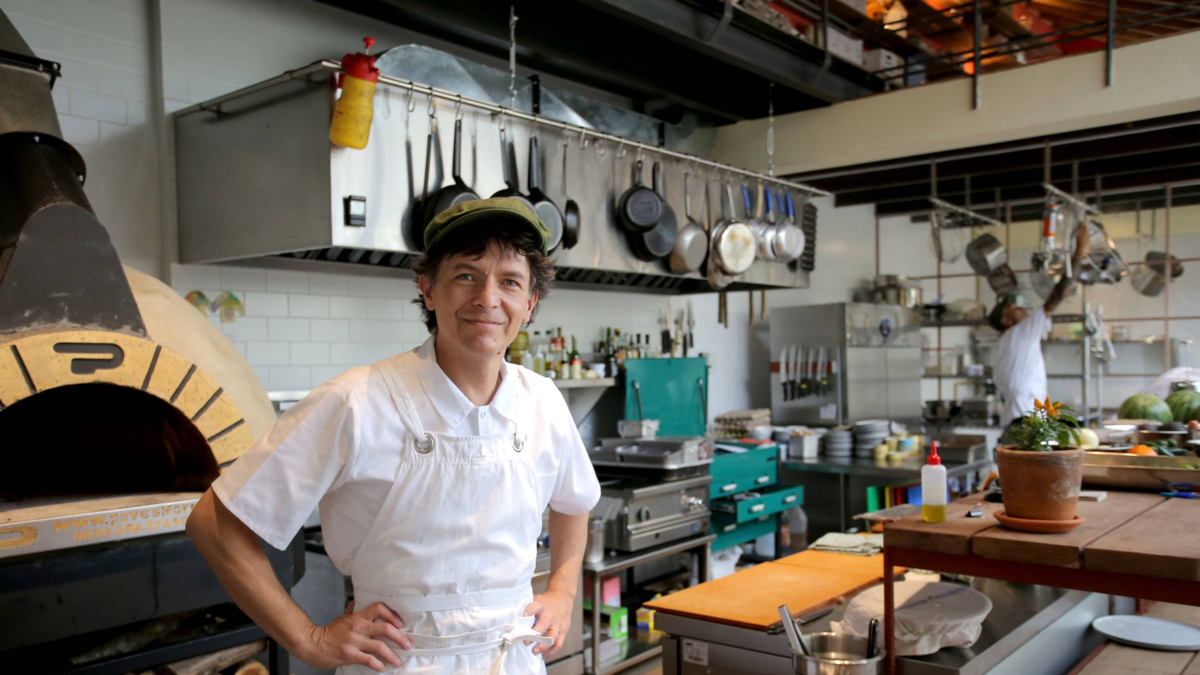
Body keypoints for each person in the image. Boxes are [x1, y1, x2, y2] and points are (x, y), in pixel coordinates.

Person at [186, 198, 601, 674]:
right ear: (429, 289)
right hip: (398, 662)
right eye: (466, 275)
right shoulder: (357, 402)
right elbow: (214, 523)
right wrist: (309, 639)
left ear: (529, 304)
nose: (488, 298)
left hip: (515, 661)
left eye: (509, 281)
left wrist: (563, 590)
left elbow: (575, 500)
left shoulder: (542, 400)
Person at [988, 224, 1091, 430]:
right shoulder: (1020, 332)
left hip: (1018, 418)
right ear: (1006, 321)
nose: (1020, 307)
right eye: (1013, 307)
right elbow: (1059, 294)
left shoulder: (1008, 340)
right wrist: (1079, 253)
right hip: (1025, 420)